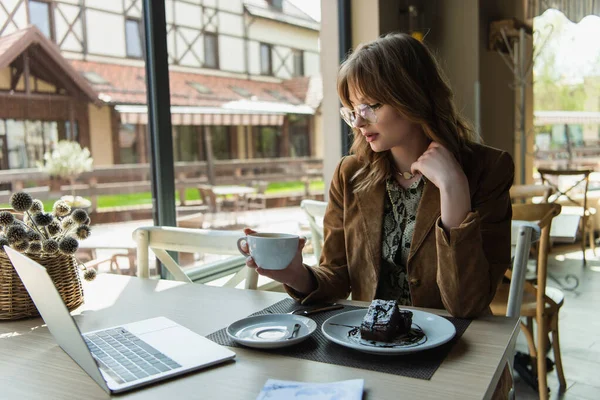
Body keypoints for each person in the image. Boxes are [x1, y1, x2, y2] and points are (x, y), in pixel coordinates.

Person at [243, 33, 513, 397]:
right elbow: (338, 276)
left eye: (370, 105)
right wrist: (296, 274)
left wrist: (453, 190)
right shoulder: (350, 174)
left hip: (455, 360)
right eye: (351, 109)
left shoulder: (486, 169)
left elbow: (467, 305)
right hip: (364, 351)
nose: (358, 121)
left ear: (413, 95)